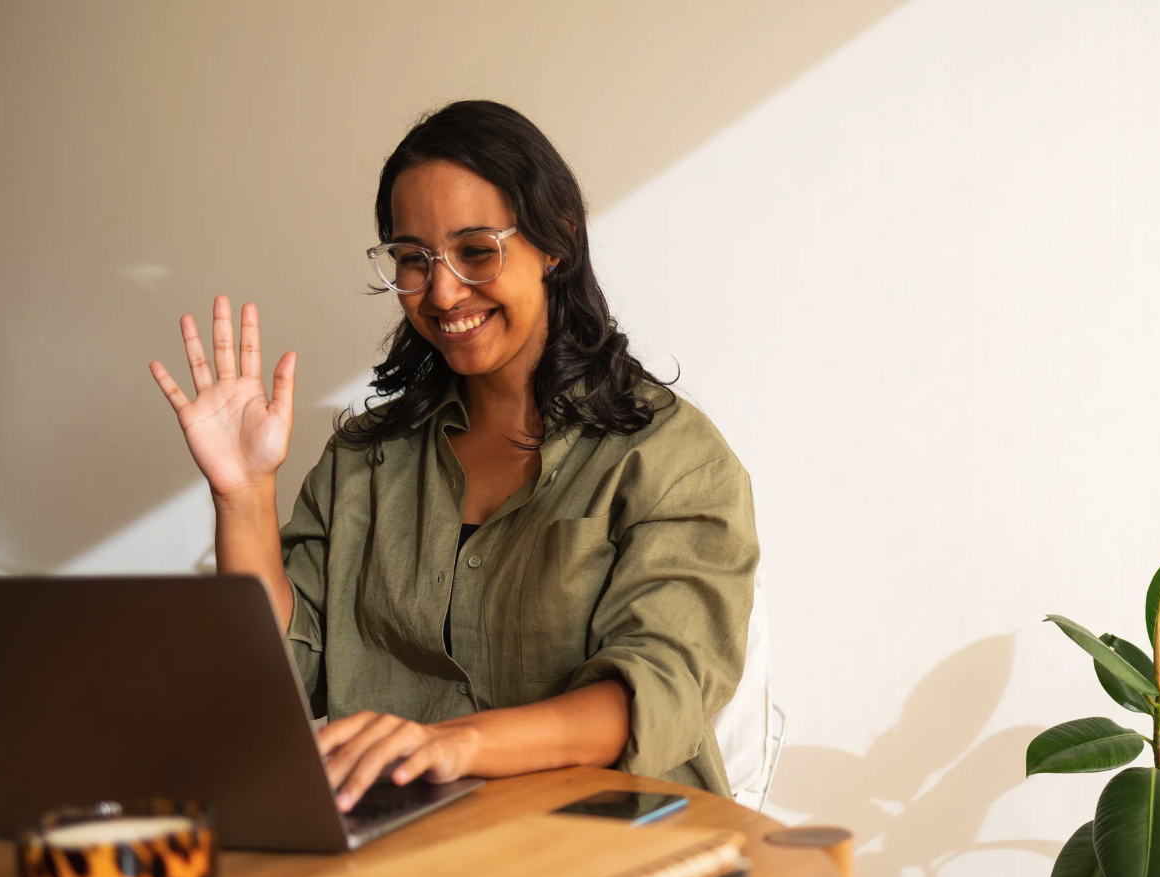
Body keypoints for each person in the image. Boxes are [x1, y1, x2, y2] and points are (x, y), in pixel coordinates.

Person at [150, 100, 757, 805]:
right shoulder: (365, 462)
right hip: (396, 840)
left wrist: (454, 743)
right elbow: (272, 682)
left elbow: (656, 689)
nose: (441, 291)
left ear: (555, 240)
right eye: (414, 260)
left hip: (601, 843)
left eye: (476, 251)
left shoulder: (669, 457)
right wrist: (244, 494)